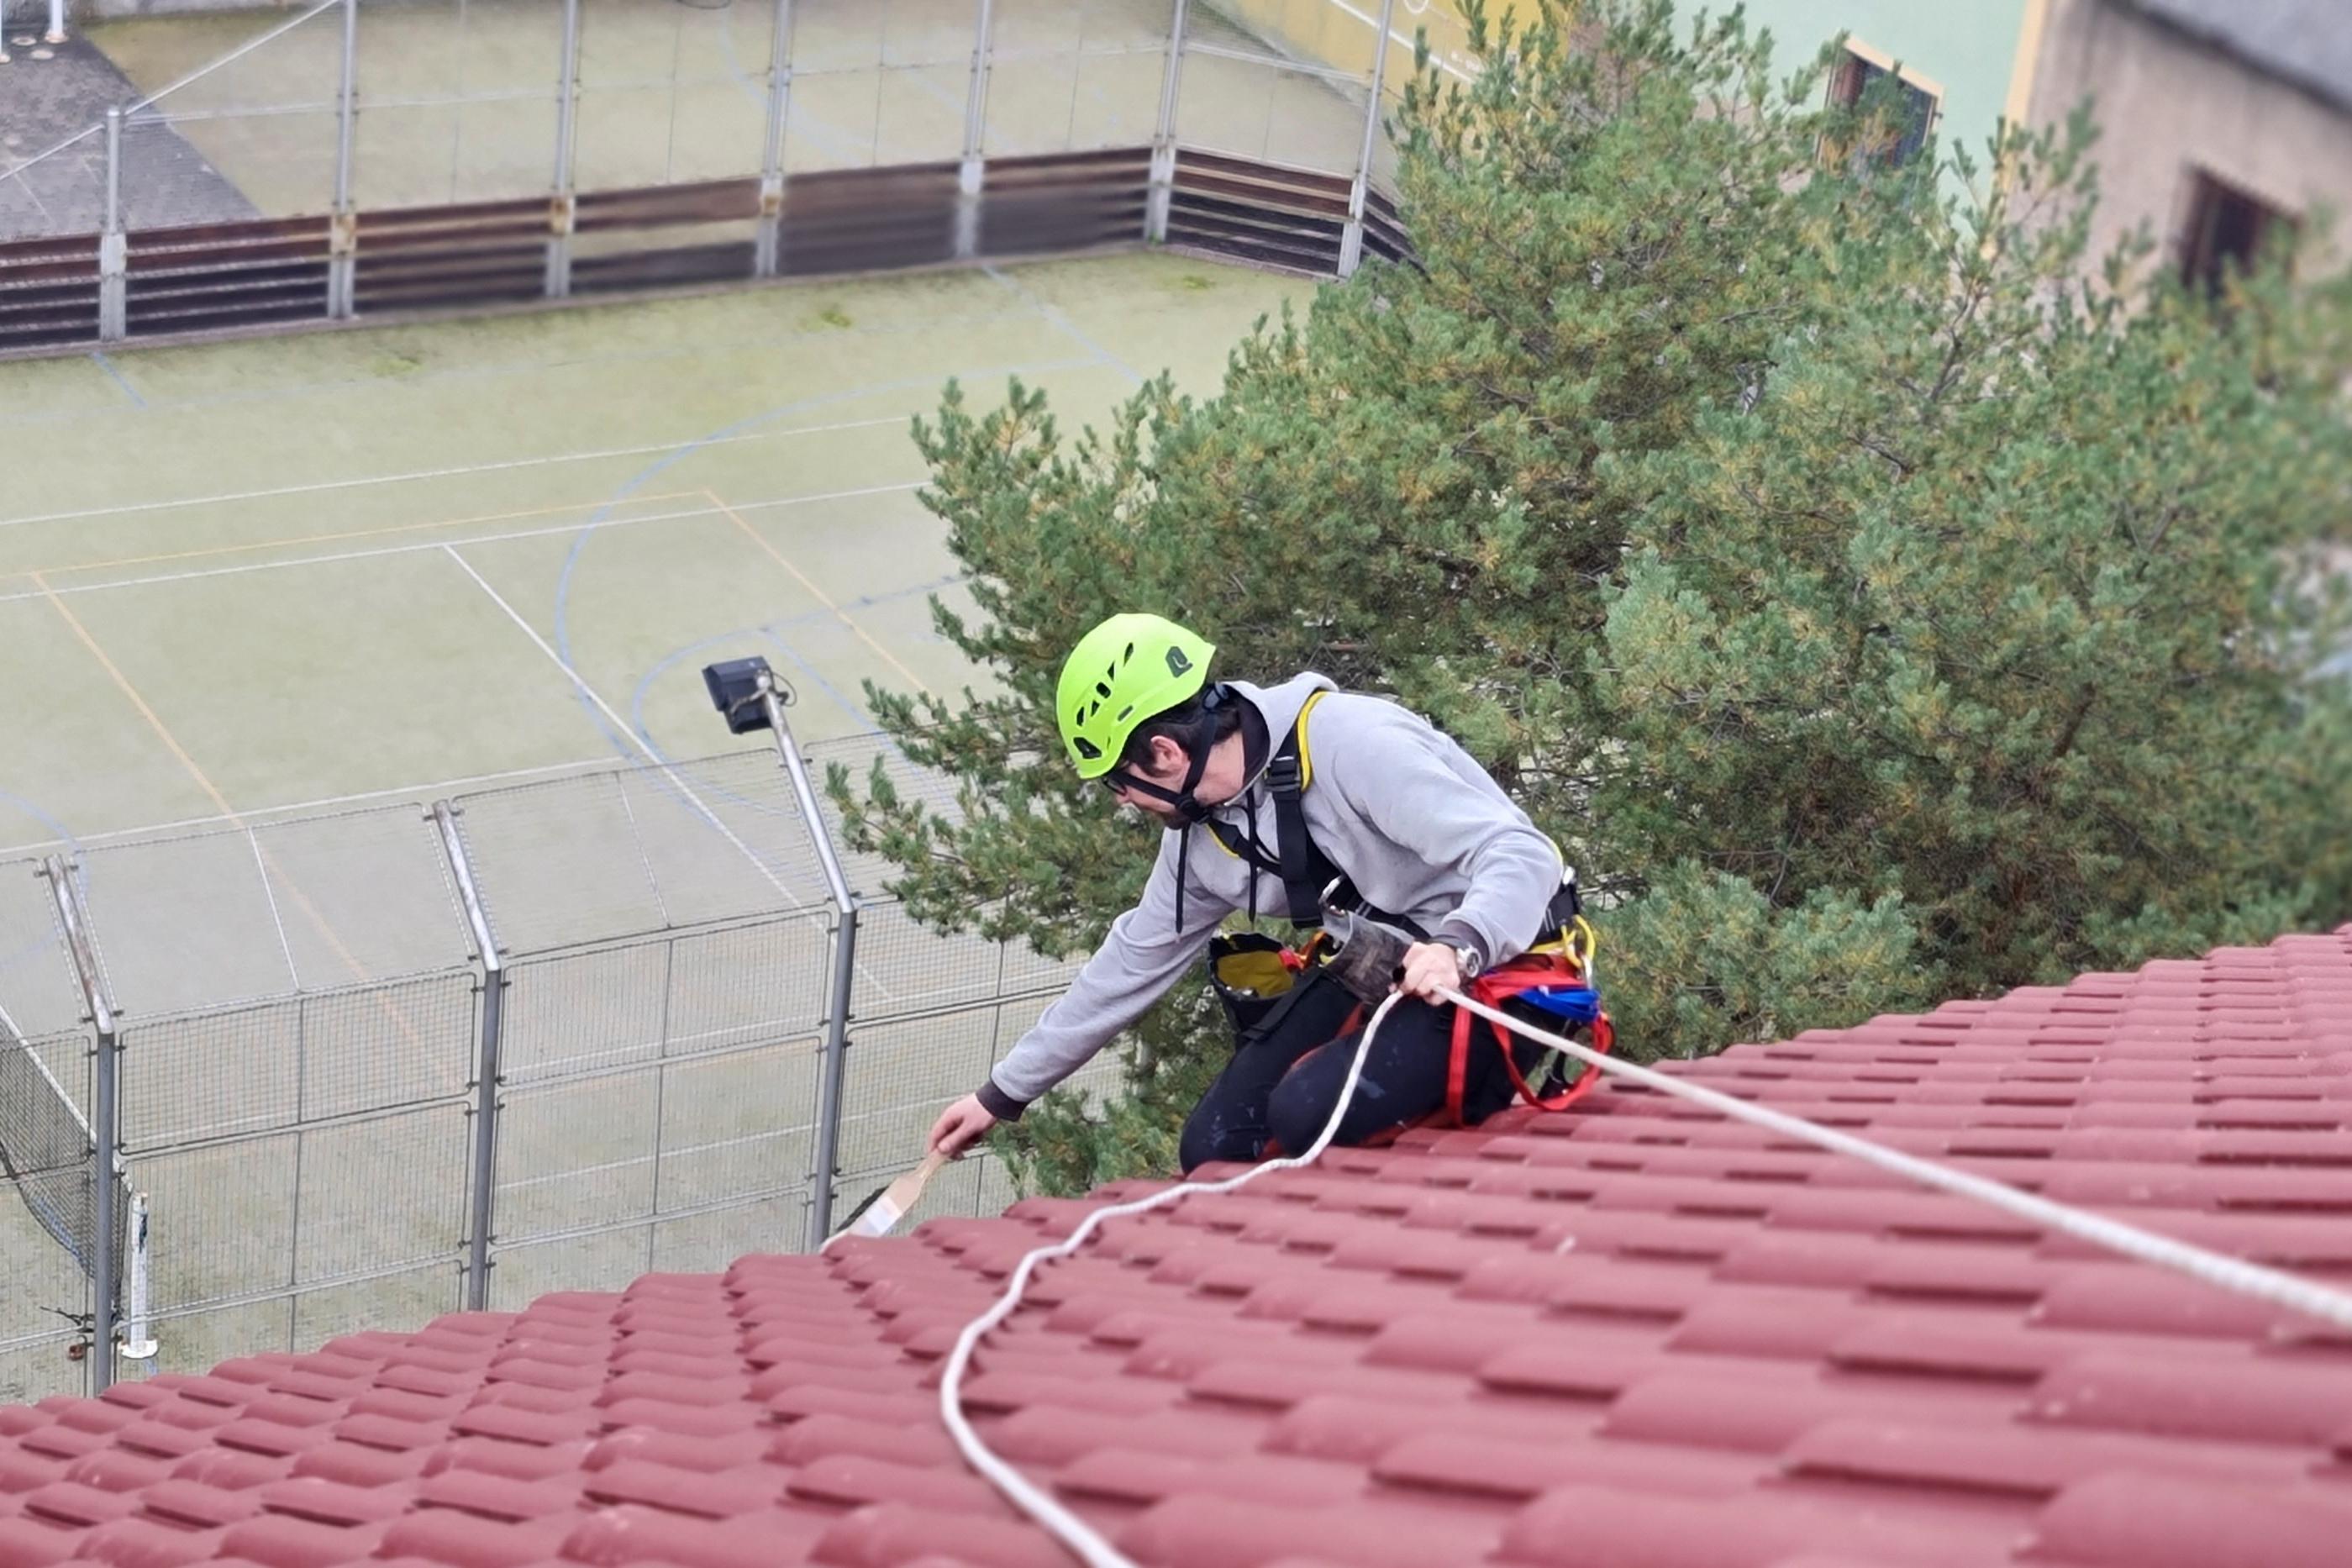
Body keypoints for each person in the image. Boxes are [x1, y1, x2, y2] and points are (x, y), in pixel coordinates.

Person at [927, 612, 1571, 1171]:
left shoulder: (1352, 744)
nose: (1124, 802)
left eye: (1117, 782)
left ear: (1163, 753)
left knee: (1307, 1114)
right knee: (1217, 1143)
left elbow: (1522, 853)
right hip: (1386, 960)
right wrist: (1001, 1095)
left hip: (1503, 960)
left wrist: (1459, 945)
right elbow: (1134, 959)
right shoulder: (1204, 837)